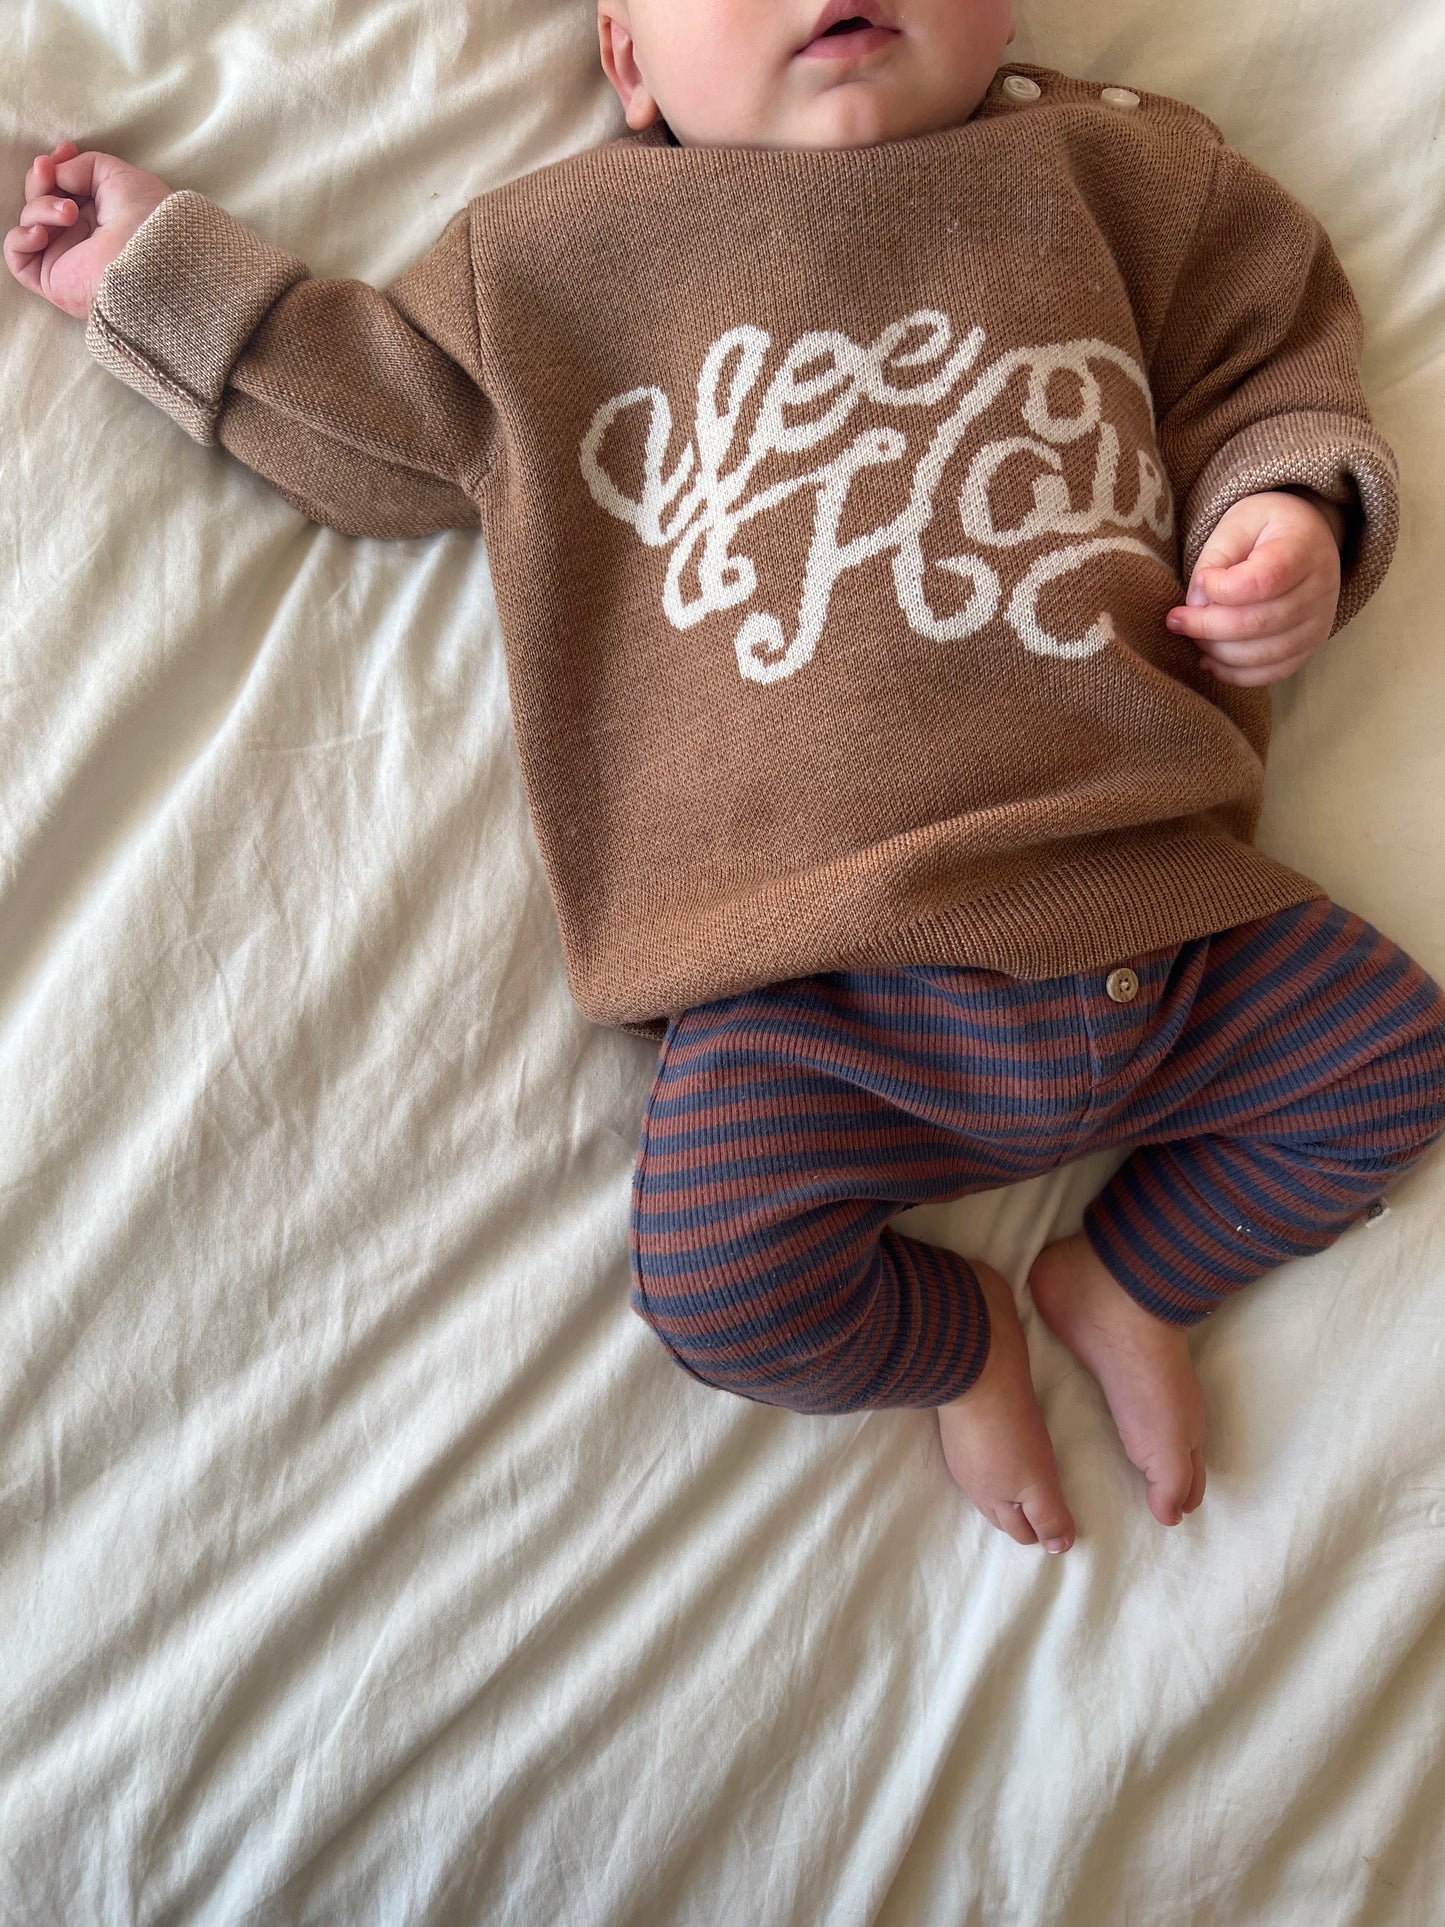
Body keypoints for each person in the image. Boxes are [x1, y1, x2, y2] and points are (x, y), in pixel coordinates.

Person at [8, 0, 1445, 1557]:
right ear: (627, 61)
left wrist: (1289, 510)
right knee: (718, 1284)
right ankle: (956, 1340)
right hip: (807, 991)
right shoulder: (560, 255)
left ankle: (1125, 1278)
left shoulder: (1117, 172)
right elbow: (372, 420)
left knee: (1392, 1063)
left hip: (1163, 908)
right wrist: (157, 272)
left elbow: (1266, 363)